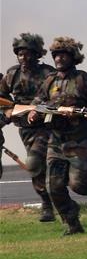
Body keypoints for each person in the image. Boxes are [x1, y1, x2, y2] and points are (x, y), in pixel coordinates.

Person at [29, 37, 87, 235]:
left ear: (73, 57)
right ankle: (72, 223)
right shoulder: (50, 81)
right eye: (56, 55)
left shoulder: (84, 80)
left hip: (80, 141)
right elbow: (38, 101)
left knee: (79, 185)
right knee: (53, 186)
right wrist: (33, 111)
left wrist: (79, 112)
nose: (59, 59)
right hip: (56, 141)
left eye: (63, 55)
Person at [0, 33, 56, 222]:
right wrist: (8, 111)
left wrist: (38, 109)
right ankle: (48, 202)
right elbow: (2, 97)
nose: (24, 58)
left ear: (37, 54)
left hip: (48, 126)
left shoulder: (48, 73)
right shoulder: (12, 74)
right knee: (38, 166)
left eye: (28, 54)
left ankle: (50, 204)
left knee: (35, 162)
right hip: (26, 129)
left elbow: (58, 97)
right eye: (20, 54)